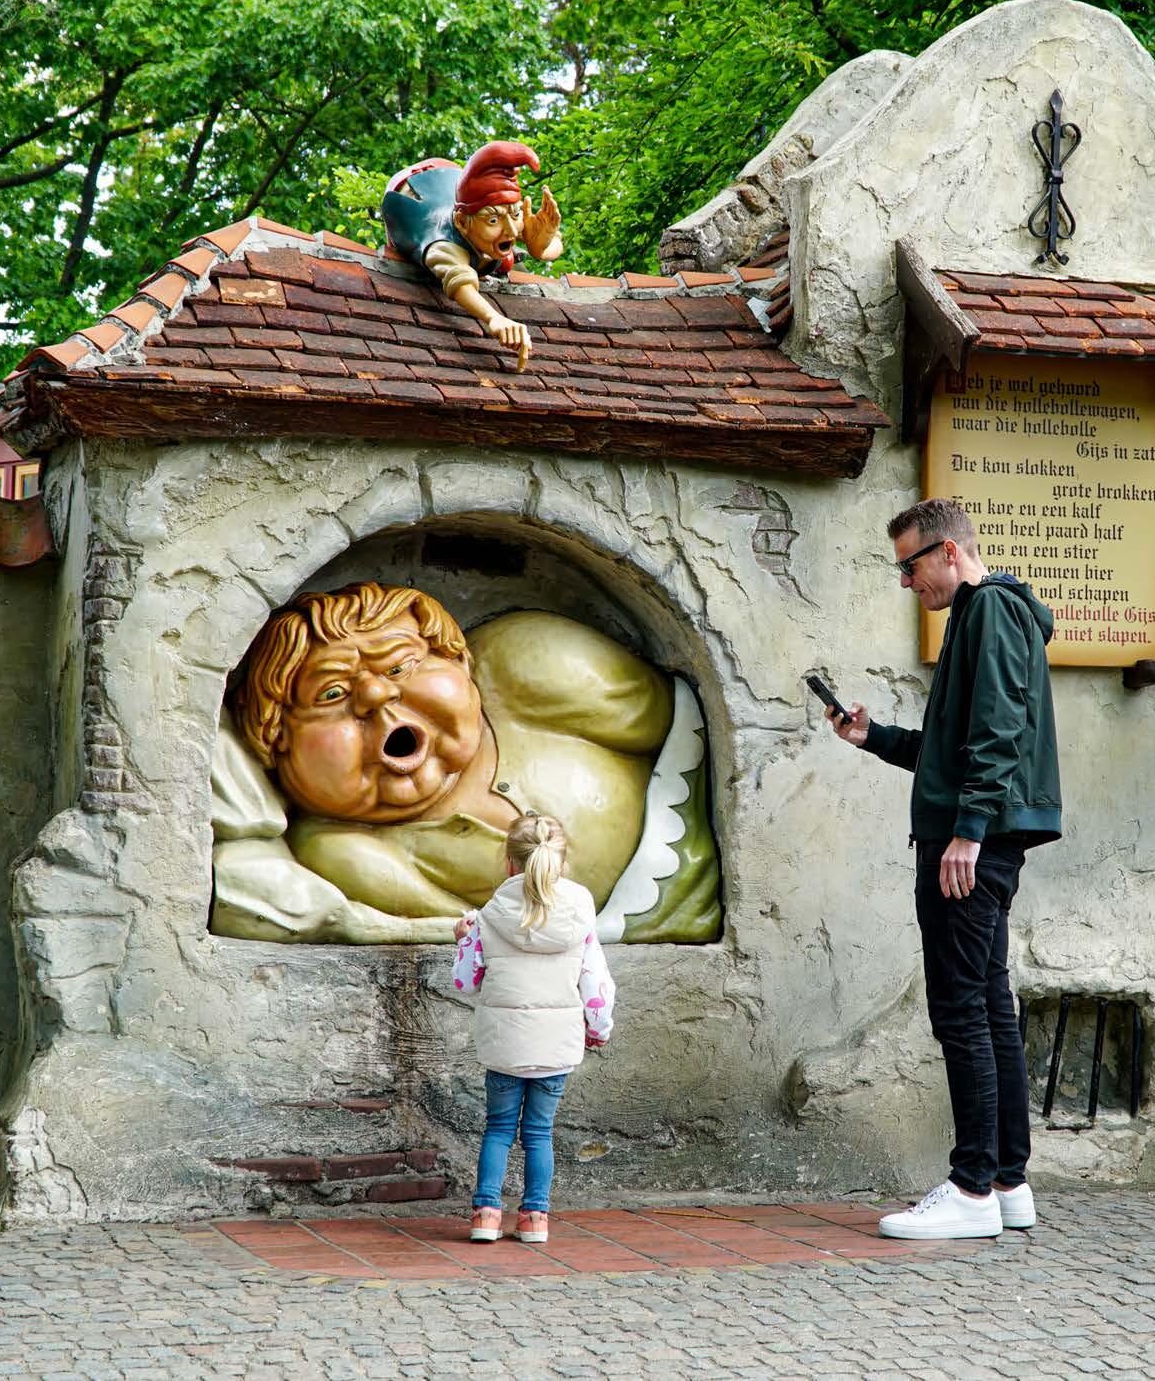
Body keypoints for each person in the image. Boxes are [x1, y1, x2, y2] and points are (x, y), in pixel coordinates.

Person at [211, 581, 721, 945]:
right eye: (331, 694)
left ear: (457, 660)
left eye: (399, 665)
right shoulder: (340, 853)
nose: (375, 695)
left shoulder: (529, 663)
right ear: (275, 742)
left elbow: (680, 719)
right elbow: (474, 935)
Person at [824, 498, 1061, 1240]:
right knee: (987, 1004)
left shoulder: (988, 609)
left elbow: (999, 728)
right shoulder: (989, 614)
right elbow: (954, 745)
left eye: (911, 564)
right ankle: (1007, 1182)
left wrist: (968, 831)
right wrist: (874, 737)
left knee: (961, 1009)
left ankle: (971, 1189)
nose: (906, 581)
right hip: (986, 835)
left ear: (949, 552)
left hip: (972, 844)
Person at [450, 813, 614, 1244]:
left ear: (509, 862)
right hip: (556, 1046)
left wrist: (463, 940)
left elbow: (466, 983)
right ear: (562, 862)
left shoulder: (488, 916)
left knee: (499, 1130)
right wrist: (598, 1029)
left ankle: (486, 1215)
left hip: (505, 1045)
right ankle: (534, 1219)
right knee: (539, 1134)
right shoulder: (579, 916)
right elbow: (596, 984)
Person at [380, 141, 563, 371]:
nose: (510, 229)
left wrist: (540, 246)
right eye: (493, 220)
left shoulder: (503, 216)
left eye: (515, 215)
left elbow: (552, 241)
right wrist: (494, 318)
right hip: (410, 190)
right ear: (461, 223)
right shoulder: (441, 240)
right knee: (498, 259)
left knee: (504, 255)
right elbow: (460, 282)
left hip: (451, 178)